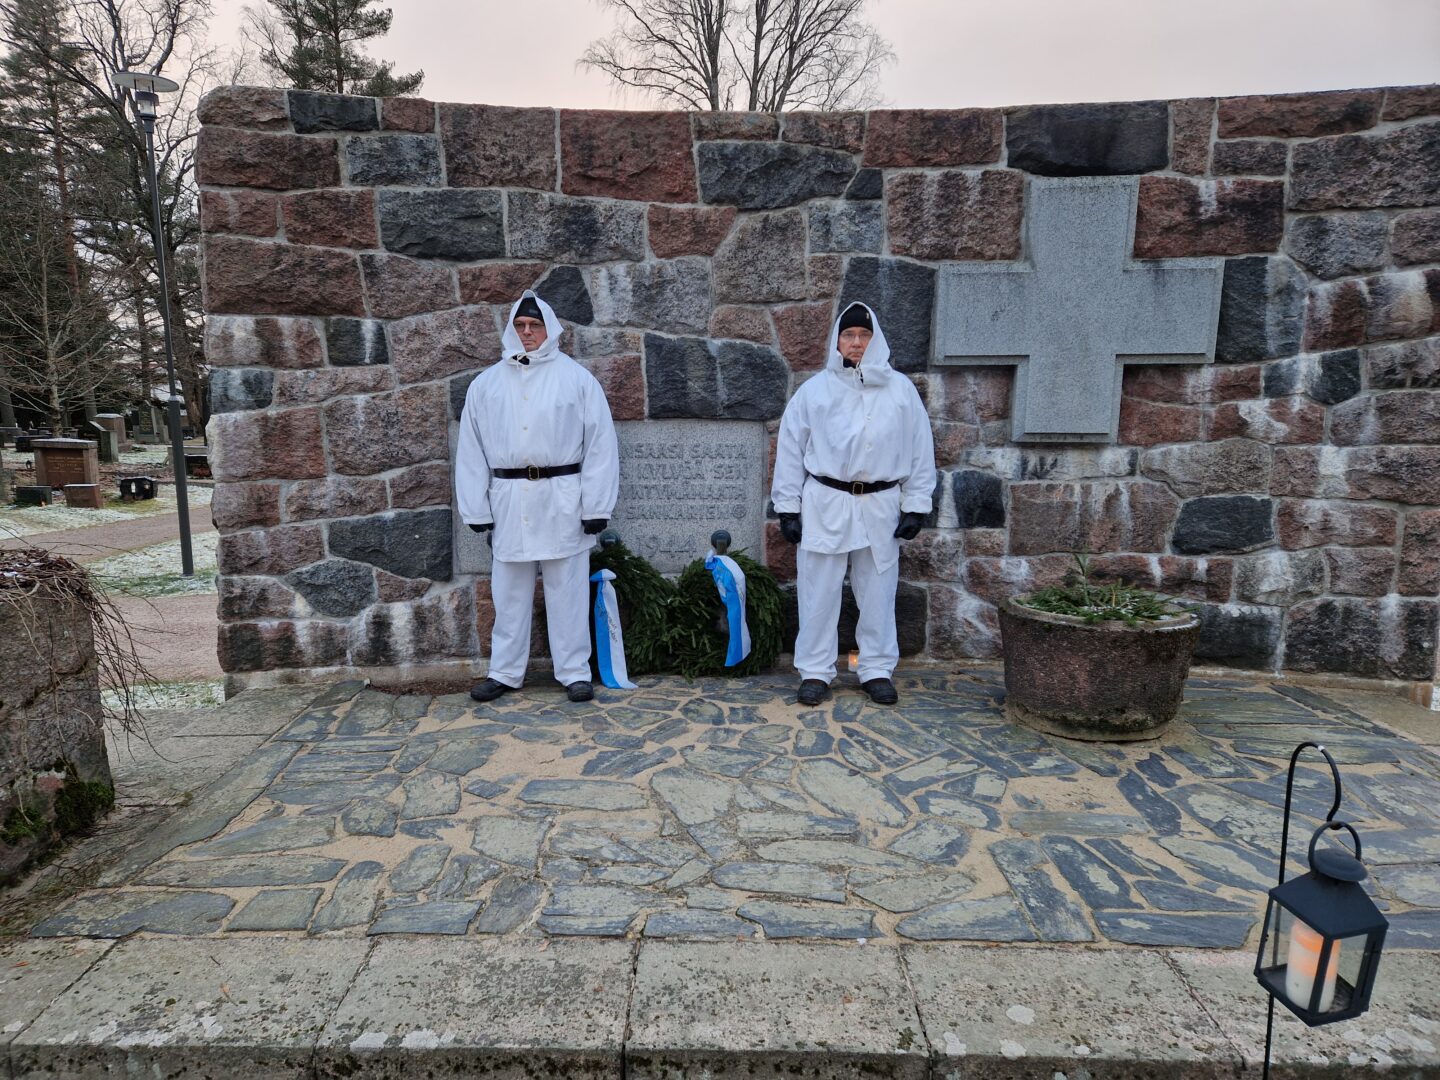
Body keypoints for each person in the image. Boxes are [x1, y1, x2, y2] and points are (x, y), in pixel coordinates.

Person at [456, 290, 619, 703]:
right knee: (508, 593)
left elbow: (600, 445)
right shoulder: (486, 385)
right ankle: (505, 671)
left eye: (534, 325)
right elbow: (471, 449)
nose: (527, 332)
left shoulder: (577, 380)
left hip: (562, 498)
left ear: (550, 329)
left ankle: (574, 671)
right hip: (510, 500)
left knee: (568, 591)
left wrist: (597, 505)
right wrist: (475, 507)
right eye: (520, 325)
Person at [771, 302, 936, 707]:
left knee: (878, 590)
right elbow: (791, 449)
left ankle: (875, 668)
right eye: (849, 335)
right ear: (838, 340)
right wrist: (788, 508)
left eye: (864, 335)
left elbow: (919, 448)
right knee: (818, 590)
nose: (856, 342)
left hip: (880, 505)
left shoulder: (900, 391)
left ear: (875, 339)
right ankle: (815, 670)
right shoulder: (815, 391)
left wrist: (916, 504)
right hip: (826, 502)